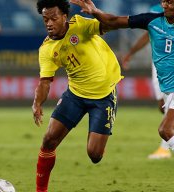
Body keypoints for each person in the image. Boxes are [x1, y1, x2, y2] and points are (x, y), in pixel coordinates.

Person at [70, 0, 174, 191]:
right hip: (170, 95)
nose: (165, 5)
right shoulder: (151, 20)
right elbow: (114, 20)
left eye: (170, 1)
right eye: (163, 1)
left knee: (166, 130)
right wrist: (95, 11)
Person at [32, 0, 123, 191]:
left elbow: (110, 24)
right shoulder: (47, 49)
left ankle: (100, 138)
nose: (49, 23)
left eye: (53, 18)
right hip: (75, 95)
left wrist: (95, 12)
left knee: (94, 155)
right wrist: (37, 103)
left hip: (103, 95)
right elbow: (45, 81)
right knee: (49, 140)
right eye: (45, 19)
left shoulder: (80, 25)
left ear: (65, 17)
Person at [121, 4, 174, 160]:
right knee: (163, 104)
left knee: (171, 107)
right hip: (159, 65)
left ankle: (165, 147)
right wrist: (131, 53)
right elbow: (147, 35)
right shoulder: (156, 11)